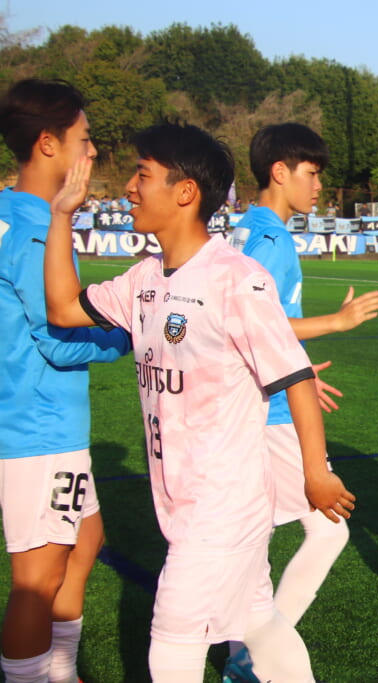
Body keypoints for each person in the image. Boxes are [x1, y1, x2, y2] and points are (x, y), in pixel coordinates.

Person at [43, 122, 355, 683]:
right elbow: (63, 308)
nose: (129, 188)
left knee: (171, 649)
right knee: (258, 621)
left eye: (143, 175)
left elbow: (295, 376)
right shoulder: (142, 278)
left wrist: (315, 472)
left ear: (185, 191)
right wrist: (62, 215)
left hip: (223, 506)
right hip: (184, 500)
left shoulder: (237, 279)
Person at [221, 122, 378, 682]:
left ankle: (245, 652)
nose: (318, 186)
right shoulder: (270, 240)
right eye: (312, 174)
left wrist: (300, 368)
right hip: (270, 412)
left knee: (258, 536)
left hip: (256, 402)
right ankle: (251, 656)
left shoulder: (248, 229)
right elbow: (254, 324)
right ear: (280, 171)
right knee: (328, 528)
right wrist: (336, 323)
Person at [0, 78, 132, 683]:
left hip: (37, 422)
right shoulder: (36, 230)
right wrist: (135, 333)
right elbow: (58, 336)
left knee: (85, 541)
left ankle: (61, 670)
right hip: (39, 428)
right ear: (48, 144)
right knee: (37, 579)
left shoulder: (13, 213)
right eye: (85, 138)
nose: (94, 150)